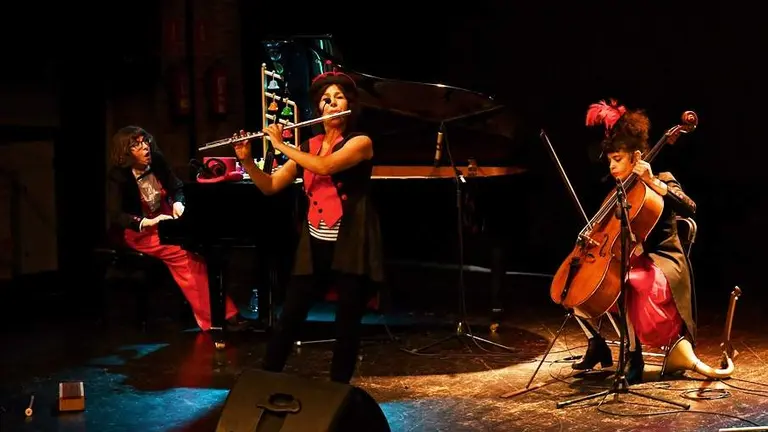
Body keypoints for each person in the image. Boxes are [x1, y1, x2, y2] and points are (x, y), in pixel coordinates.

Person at [232, 70, 384, 384]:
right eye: (326, 99)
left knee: (346, 322)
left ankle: (337, 388)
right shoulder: (309, 145)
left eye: (339, 97)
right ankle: (266, 377)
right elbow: (270, 185)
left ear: (349, 104)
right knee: (290, 314)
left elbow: (325, 166)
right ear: (319, 108)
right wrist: (247, 161)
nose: (332, 103)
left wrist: (280, 144)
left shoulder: (361, 142)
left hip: (350, 243)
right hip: (315, 244)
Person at [570, 100, 697, 384]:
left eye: (618, 159)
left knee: (623, 283)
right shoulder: (619, 191)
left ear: (636, 157)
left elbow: (690, 207)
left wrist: (653, 182)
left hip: (663, 261)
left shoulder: (662, 178)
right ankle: (596, 343)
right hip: (631, 258)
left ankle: (633, 356)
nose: (612, 165)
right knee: (575, 282)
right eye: (610, 160)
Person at [106, 126, 249, 332]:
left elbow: (177, 186)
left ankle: (219, 313)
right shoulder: (117, 176)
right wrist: (146, 222)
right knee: (185, 255)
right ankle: (219, 318)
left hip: (166, 221)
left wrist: (178, 202)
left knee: (200, 249)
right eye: (136, 145)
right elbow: (116, 214)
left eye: (145, 141)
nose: (145, 147)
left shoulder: (157, 161)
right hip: (140, 232)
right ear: (125, 152)